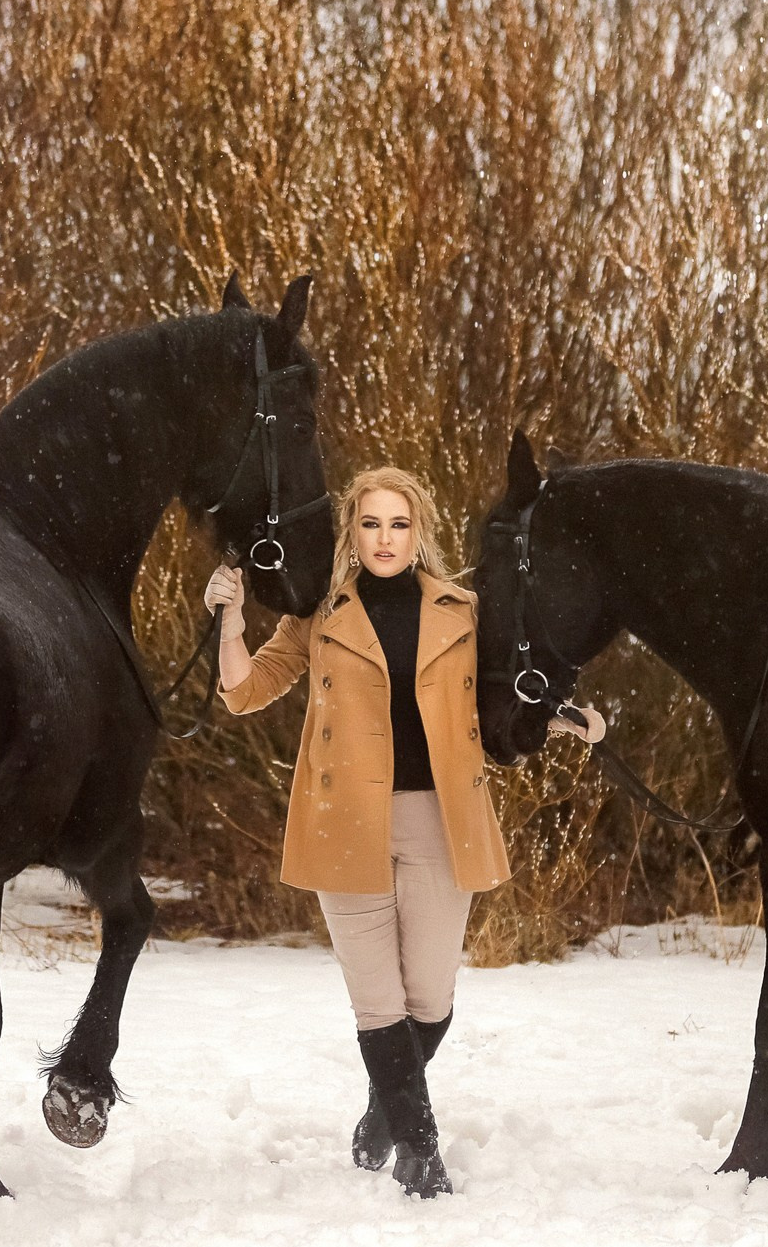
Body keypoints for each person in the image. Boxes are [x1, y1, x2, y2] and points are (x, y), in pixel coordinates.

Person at [208, 465, 604, 1197]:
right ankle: (422, 1157)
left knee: (429, 996)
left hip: (440, 819)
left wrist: (558, 716)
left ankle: (386, 1112)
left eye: (397, 524)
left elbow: (501, 703)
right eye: (369, 524)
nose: (384, 538)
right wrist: (231, 621)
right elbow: (245, 692)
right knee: (377, 1002)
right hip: (342, 821)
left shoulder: (466, 610)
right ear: (351, 535)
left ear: (418, 530)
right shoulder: (317, 612)